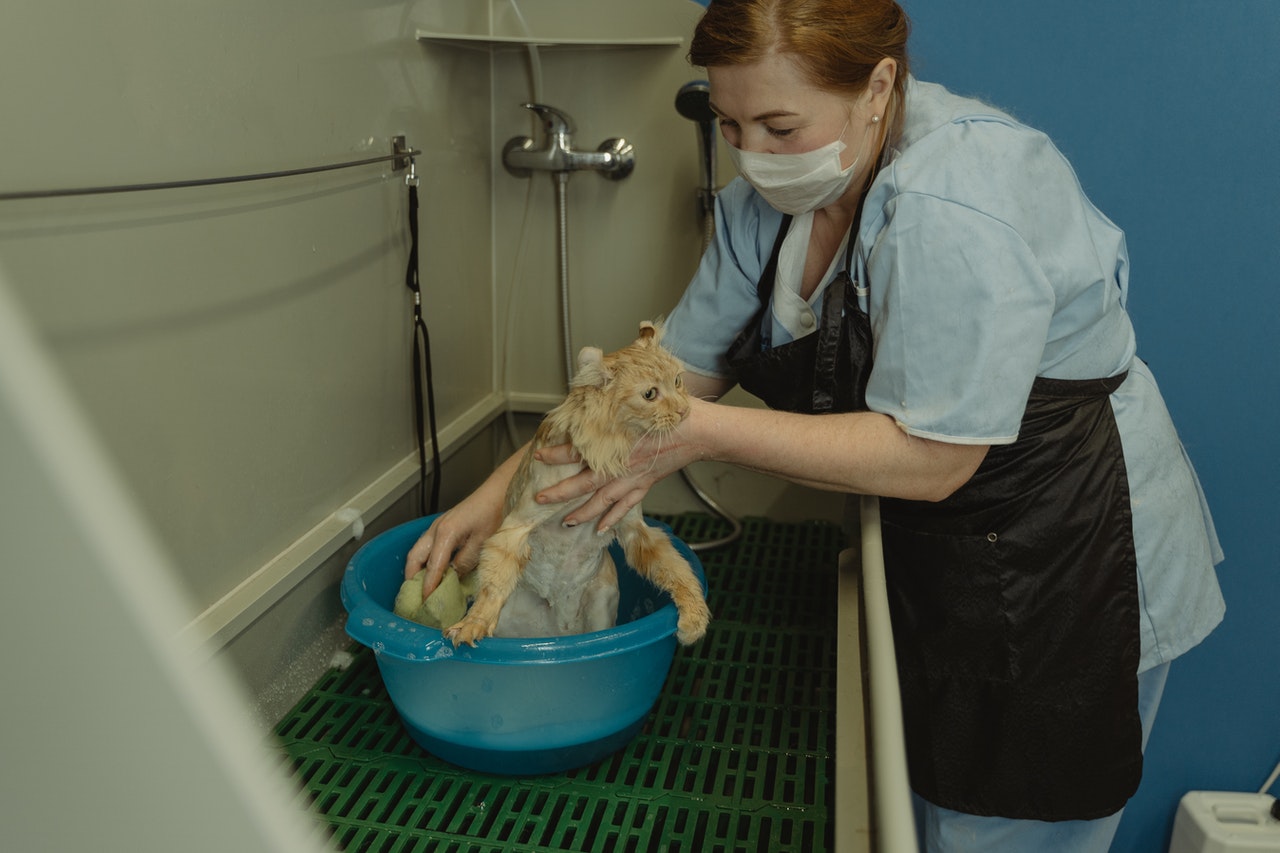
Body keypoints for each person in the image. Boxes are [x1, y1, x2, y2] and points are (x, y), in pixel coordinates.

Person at [405, 0, 1225, 848]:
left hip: (1067, 555)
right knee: (934, 822)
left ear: (877, 87)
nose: (753, 155)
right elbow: (652, 385)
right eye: (729, 124)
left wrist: (703, 434)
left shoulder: (957, 197)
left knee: (1007, 825)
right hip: (944, 552)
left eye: (779, 125)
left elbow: (935, 456)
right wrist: (495, 499)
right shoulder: (763, 208)